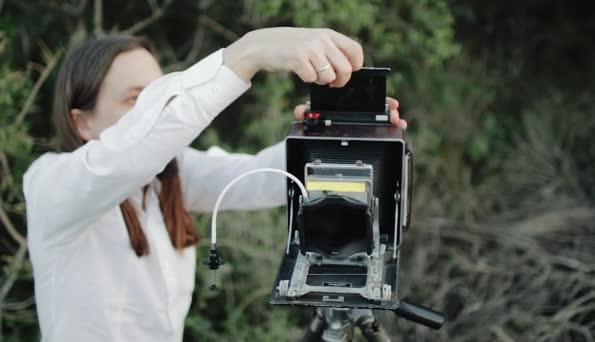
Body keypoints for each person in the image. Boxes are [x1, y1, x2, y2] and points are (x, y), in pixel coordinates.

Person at [23, 27, 406, 341]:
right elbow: (129, 152)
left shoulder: (169, 180)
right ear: (82, 122)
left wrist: (337, 134)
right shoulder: (50, 185)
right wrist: (249, 52)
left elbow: (266, 178)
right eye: (137, 100)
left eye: (160, 97)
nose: (155, 114)